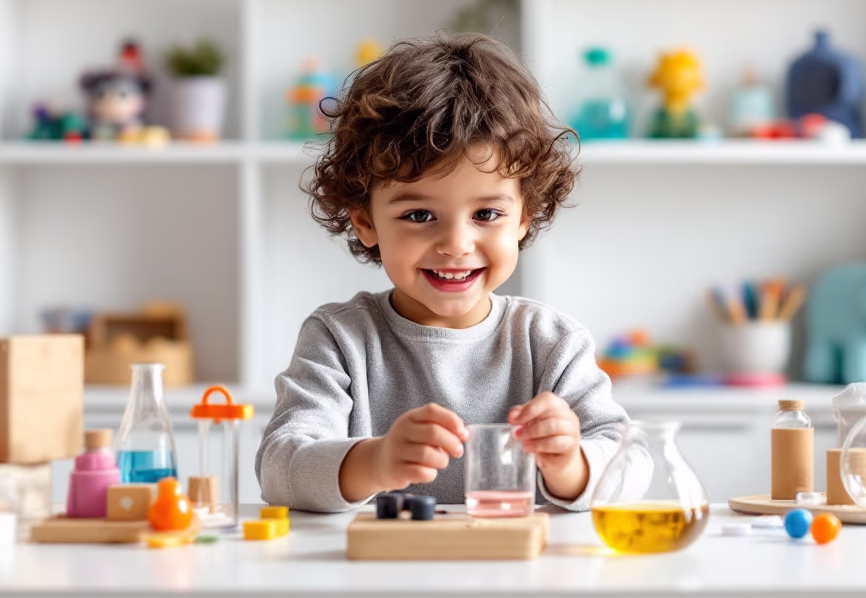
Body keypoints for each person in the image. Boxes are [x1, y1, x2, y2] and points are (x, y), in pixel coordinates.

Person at [256, 33, 631, 512]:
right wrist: (376, 460)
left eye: (486, 214)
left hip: (522, 578)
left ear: (524, 216)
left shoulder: (551, 342)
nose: (456, 244)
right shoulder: (340, 338)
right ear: (366, 221)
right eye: (418, 216)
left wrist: (571, 464)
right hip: (379, 580)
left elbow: (628, 460)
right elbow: (279, 466)